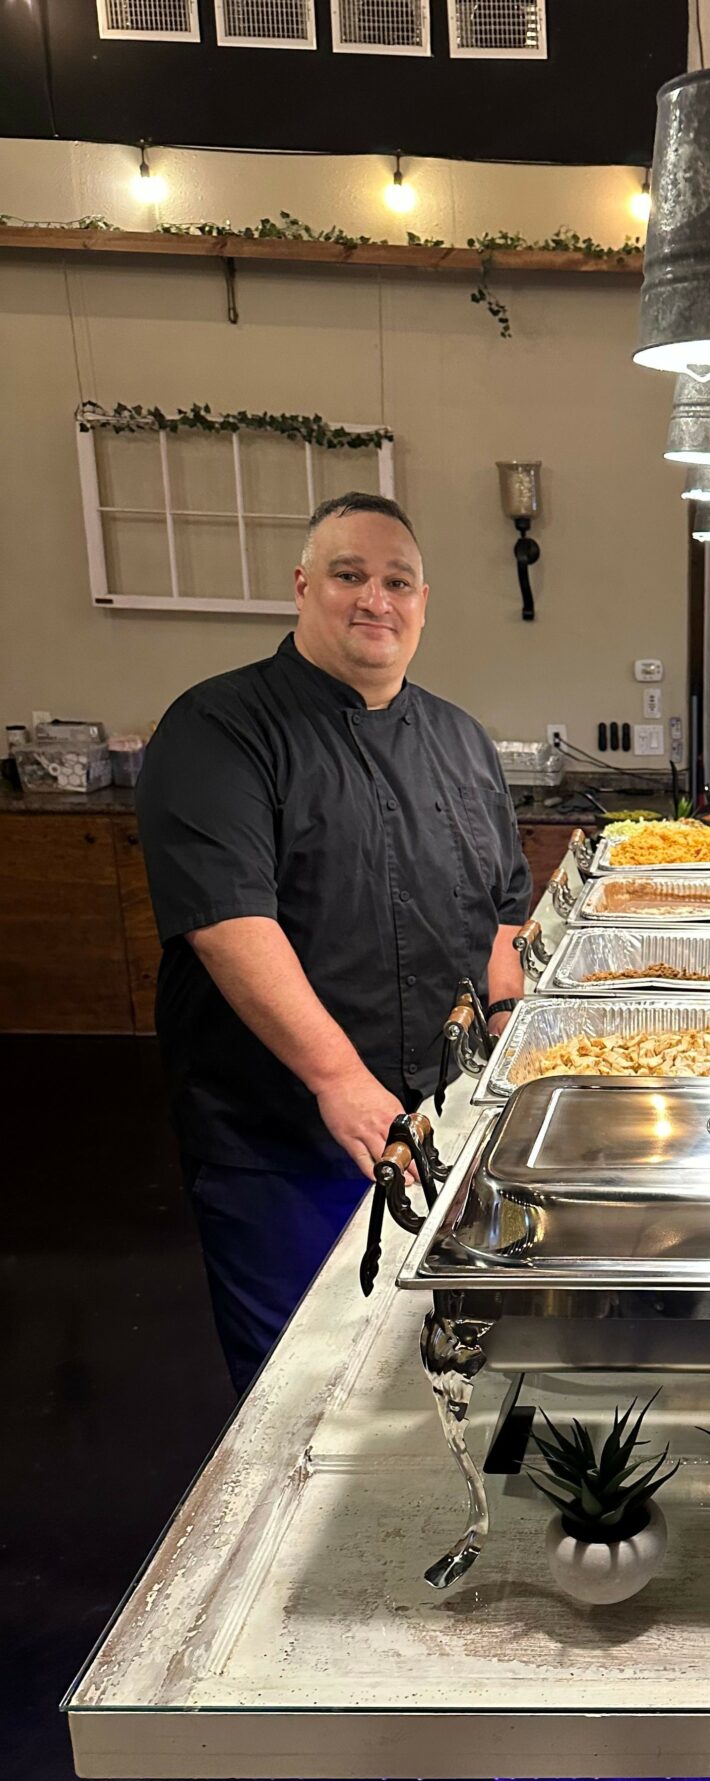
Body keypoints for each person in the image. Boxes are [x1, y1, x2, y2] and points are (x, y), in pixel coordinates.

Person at [137, 493, 529, 1393]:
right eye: (350, 575)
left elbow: (503, 913)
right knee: (300, 1384)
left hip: (441, 1122)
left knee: (436, 1364)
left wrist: (505, 1025)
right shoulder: (219, 727)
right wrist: (338, 1079)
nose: (375, 600)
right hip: (282, 1135)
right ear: (304, 586)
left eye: (398, 582)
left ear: (424, 601)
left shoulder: (461, 741)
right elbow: (231, 922)